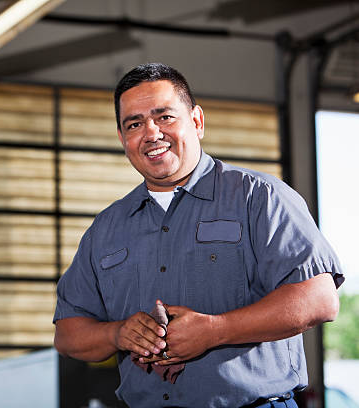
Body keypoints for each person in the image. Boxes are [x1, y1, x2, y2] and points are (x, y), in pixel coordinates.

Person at [53, 63, 344, 408]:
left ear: (197, 121)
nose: (151, 133)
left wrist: (214, 330)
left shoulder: (258, 197)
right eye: (134, 124)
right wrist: (118, 334)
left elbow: (319, 300)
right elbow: (68, 333)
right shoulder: (106, 228)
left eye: (164, 117)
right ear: (122, 139)